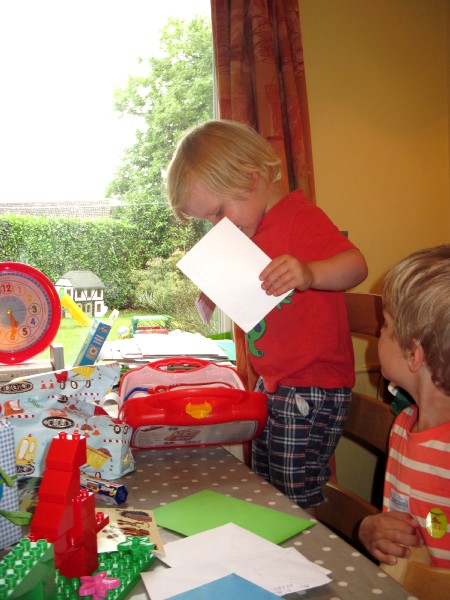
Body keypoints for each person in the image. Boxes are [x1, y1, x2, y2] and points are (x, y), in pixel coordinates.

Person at [166, 119, 368, 509]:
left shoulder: (298, 218)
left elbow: (356, 265)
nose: (217, 227)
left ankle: (304, 546)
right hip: (275, 383)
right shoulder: (249, 231)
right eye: (209, 220)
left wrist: (310, 273)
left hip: (311, 386)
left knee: (292, 499)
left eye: (218, 212)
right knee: (265, 487)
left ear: (251, 178)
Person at [359, 244, 450, 568]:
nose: (378, 333)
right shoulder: (403, 424)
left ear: (414, 353)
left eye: (385, 325)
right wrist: (371, 529)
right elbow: (398, 521)